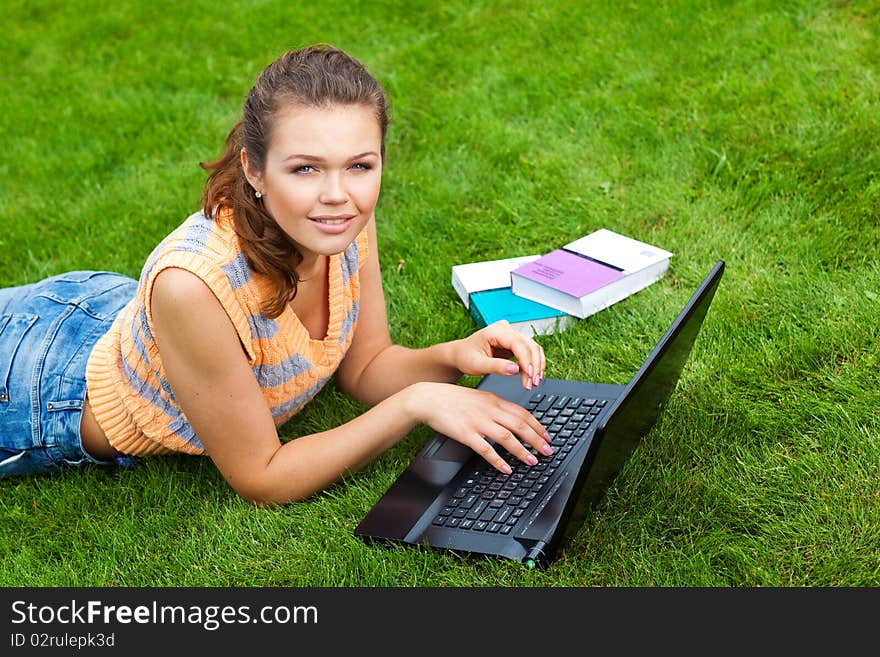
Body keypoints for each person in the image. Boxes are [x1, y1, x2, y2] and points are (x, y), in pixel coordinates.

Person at [0, 44, 553, 505]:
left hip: (106, 312)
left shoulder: (343, 221)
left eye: (360, 165)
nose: (338, 195)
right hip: (38, 381)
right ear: (253, 168)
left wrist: (453, 357)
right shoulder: (193, 287)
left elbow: (366, 368)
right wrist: (415, 403)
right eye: (305, 168)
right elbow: (263, 476)